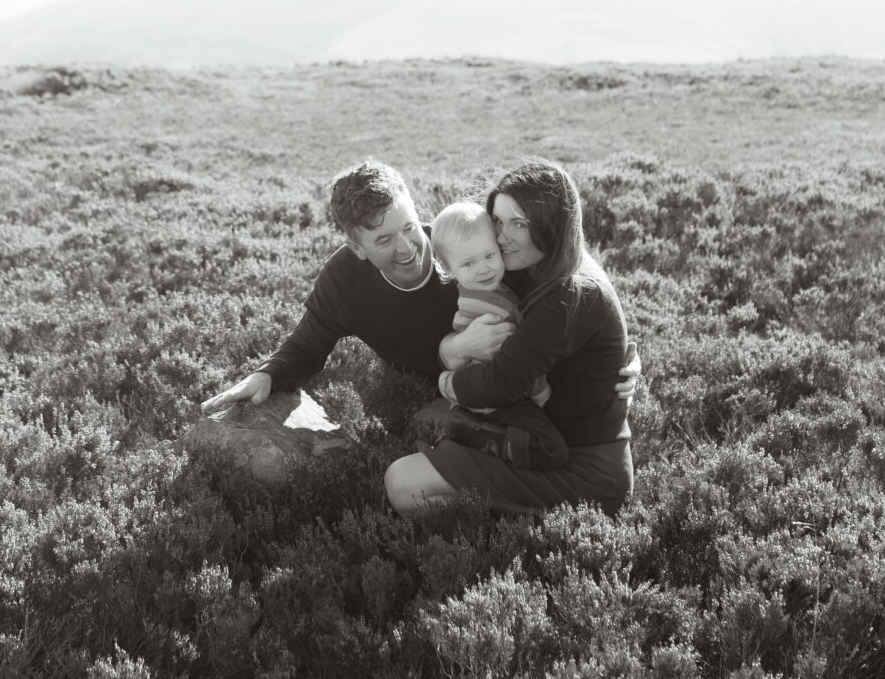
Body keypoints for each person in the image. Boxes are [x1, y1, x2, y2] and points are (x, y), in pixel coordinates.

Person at [198, 157, 640, 419]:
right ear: (356, 247)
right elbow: (306, 346)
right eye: (384, 240)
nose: (408, 248)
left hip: (512, 394)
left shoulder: (472, 257)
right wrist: (267, 375)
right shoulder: (344, 279)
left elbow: (565, 284)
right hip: (433, 400)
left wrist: (618, 357)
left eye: (410, 227)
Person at [385, 159, 634, 517]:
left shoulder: (571, 293)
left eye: (519, 223)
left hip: (583, 469)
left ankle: (510, 535)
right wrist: (455, 347)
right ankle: (498, 511)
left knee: (402, 483)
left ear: (551, 225)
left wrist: (445, 381)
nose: (502, 236)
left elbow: (500, 383)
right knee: (419, 456)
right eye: (498, 221)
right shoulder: (519, 267)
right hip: (533, 435)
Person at [429, 200, 568, 471]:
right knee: (551, 449)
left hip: (484, 391)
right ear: (448, 270)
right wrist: (541, 393)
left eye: (489, 256)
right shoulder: (494, 308)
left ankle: (476, 430)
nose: (483, 268)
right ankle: (473, 433)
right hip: (494, 398)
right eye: (469, 263)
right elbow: (523, 359)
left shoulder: (477, 292)